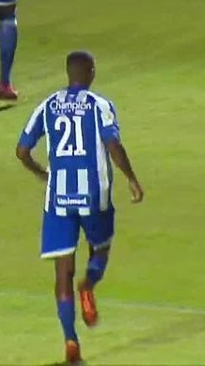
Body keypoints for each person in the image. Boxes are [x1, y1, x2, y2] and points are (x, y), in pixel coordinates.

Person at [15, 51, 144, 366]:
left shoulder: (48, 105)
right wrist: (132, 178)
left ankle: (71, 342)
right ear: (90, 72)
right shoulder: (100, 105)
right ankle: (89, 283)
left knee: (62, 271)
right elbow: (113, 145)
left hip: (58, 198)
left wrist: (42, 173)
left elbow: (21, 150)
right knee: (101, 247)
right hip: (93, 194)